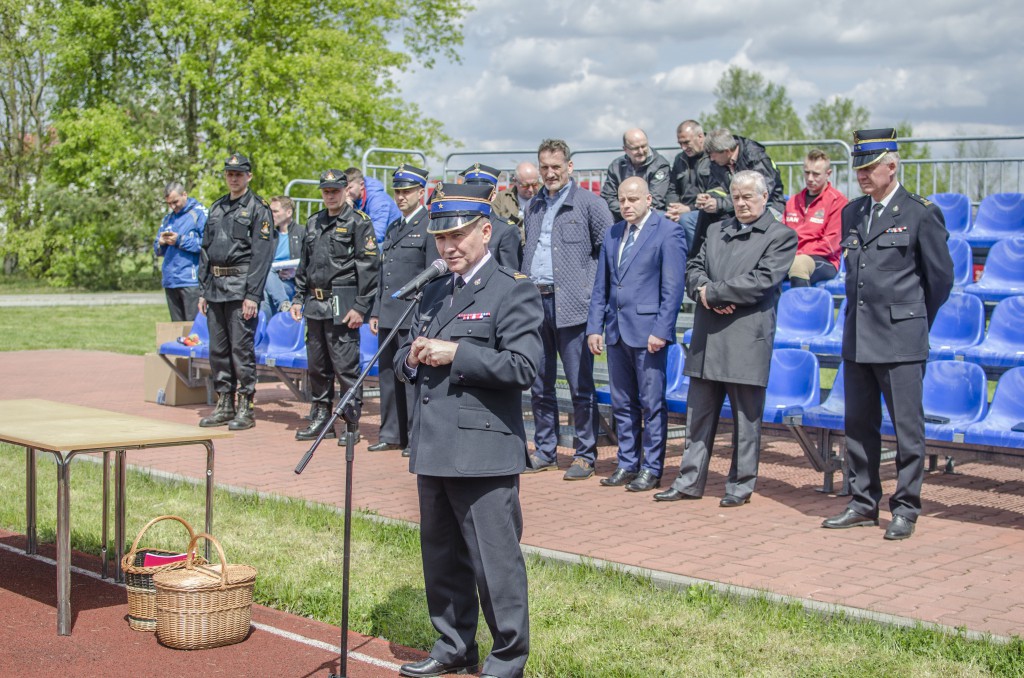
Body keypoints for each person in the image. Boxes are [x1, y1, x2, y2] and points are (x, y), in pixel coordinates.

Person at [395, 182, 542, 678]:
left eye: (457, 236)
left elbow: (524, 366)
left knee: (494, 564)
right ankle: (453, 643)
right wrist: (412, 360)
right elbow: (402, 355)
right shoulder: (435, 287)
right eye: (440, 239)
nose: (448, 247)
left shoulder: (512, 287)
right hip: (433, 444)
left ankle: (507, 660)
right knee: (441, 558)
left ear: (485, 230)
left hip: (482, 450)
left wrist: (458, 353)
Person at [821, 129, 953, 541]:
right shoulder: (853, 213)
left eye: (869, 166)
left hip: (900, 339)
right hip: (859, 336)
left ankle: (906, 508)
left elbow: (940, 279)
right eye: (857, 167)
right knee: (858, 426)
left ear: (891, 166)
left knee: (907, 430)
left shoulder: (919, 213)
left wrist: (912, 320)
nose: (861, 175)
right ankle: (862, 502)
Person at [654, 171, 796, 506]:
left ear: (764, 197)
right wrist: (703, 291)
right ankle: (689, 481)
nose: (742, 203)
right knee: (698, 417)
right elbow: (693, 268)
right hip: (708, 336)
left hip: (746, 337)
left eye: (749, 196)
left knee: (746, 420)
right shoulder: (717, 229)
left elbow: (762, 280)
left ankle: (740, 486)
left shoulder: (781, 236)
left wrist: (712, 293)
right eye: (737, 197)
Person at [522, 138, 614, 481]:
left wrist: (597, 306)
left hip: (575, 307)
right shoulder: (532, 206)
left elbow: (608, 255)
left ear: (569, 167)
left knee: (580, 386)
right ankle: (545, 452)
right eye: (544, 167)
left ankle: (585, 455)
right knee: (539, 384)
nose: (549, 173)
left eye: (555, 167)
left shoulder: (590, 204)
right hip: (536, 304)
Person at [587, 177, 687, 492]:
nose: (627, 205)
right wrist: (594, 327)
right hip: (616, 332)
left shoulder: (669, 232)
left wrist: (662, 330)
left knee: (651, 402)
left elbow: (673, 289)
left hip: (649, 335)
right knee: (622, 402)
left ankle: (652, 468)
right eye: (622, 200)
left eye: (633, 199)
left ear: (648, 200)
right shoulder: (614, 233)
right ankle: (627, 463)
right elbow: (602, 285)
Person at [289, 169, 380, 441]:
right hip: (315, 304)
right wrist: (297, 297)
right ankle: (320, 417)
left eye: (335, 191)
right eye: (326, 191)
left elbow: (369, 267)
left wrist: (361, 308)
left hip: (343, 304)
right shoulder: (314, 222)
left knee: (345, 367)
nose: (330, 195)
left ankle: (351, 424)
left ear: (345, 190)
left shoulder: (358, 222)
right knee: (317, 366)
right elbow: (304, 264)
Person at [197, 153, 277, 430]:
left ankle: (246, 406)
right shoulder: (217, 207)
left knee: (241, 350)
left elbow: (262, 255)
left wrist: (252, 295)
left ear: (249, 176)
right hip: (216, 288)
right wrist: (203, 289)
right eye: (230, 173)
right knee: (218, 350)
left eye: (239, 174)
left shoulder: (258, 209)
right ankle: (224, 403)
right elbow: (205, 251)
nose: (234, 178)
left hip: (241, 287)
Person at [367, 164, 431, 454]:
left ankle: (414, 434)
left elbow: (432, 274)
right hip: (390, 313)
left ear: (421, 192)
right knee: (388, 377)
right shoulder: (395, 227)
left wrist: (426, 317)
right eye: (398, 191)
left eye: (407, 191)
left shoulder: (429, 225)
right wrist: (377, 311)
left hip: (412, 314)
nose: (401, 197)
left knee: (410, 377)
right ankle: (391, 432)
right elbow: (385, 274)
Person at [691, 128, 785, 256]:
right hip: (735, 205)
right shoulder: (718, 162)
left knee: (735, 217)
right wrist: (709, 198)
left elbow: (760, 193)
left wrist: (720, 204)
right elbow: (717, 187)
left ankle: (733, 260)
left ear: (727, 151)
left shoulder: (755, 156)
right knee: (706, 213)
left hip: (767, 205)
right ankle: (699, 259)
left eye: (713, 154)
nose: (711, 159)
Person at [782, 150, 846, 287]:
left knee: (798, 265)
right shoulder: (793, 201)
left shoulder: (838, 201)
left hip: (824, 260)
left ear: (828, 174)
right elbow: (781, 236)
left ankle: (801, 309)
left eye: (816, 174)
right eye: (806, 172)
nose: (810, 178)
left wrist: (798, 253)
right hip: (791, 257)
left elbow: (830, 244)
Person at [154, 182, 207, 321]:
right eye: (169, 204)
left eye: (175, 202)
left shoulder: (199, 214)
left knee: (192, 329)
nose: (172, 207)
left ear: (184, 195)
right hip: (171, 280)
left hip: (190, 280)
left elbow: (208, 245)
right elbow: (157, 249)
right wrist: (161, 243)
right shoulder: (168, 218)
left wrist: (180, 241)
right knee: (176, 329)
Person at [458, 163, 523, 269]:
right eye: (470, 192)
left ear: (493, 196)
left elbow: (509, 274)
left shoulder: (505, 230)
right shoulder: (459, 224)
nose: (474, 198)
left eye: (480, 193)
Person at [600, 128, 671, 222]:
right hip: (621, 212)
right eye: (635, 148)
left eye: (644, 146)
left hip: (649, 212)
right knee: (603, 215)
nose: (641, 151)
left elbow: (655, 200)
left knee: (660, 216)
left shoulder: (660, 165)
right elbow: (607, 197)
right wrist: (625, 209)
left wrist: (632, 210)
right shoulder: (616, 166)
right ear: (625, 149)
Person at [664, 120, 711, 252]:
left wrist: (689, 209)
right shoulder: (680, 159)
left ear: (700, 137)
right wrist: (673, 208)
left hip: (703, 211)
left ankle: (695, 261)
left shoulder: (713, 157)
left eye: (686, 142)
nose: (683, 147)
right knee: (658, 218)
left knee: (686, 220)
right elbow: (672, 188)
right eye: (680, 143)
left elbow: (714, 193)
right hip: (681, 211)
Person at [260, 196, 305, 317]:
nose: (271, 214)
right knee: (267, 273)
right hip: (269, 280)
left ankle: (266, 333)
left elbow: (311, 262)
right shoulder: (268, 235)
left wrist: (296, 272)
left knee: (266, 292)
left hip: (291, 282)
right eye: (270, 211)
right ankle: (284, 305)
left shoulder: (303, 233)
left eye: (275, 211)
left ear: (288, 212)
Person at [344, 167, 402, 243]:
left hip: (391, 244)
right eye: (344, 188)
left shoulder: (378, 200)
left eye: (350, 188)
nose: (346, 193)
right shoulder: (353, 198)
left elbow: (377, 235)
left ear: (361, 185)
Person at [491, 161, 540, 230]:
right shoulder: (501, 199)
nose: (531, 190)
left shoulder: (546, 196)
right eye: (525, 186)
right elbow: (494, 226)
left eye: (535, 184)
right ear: (515, 181)